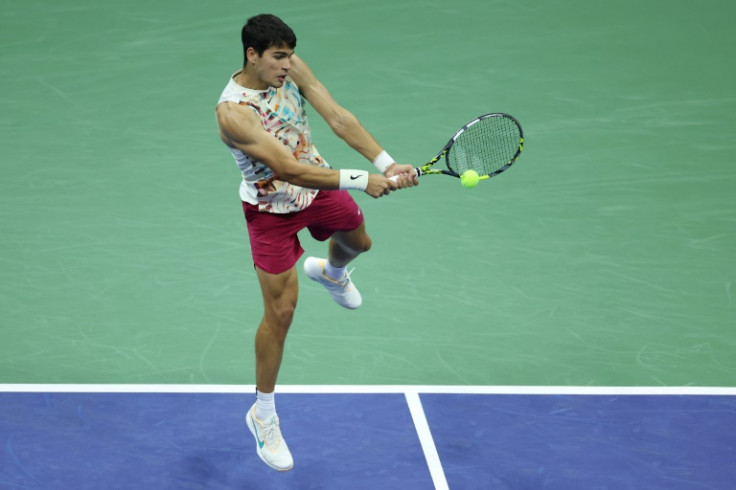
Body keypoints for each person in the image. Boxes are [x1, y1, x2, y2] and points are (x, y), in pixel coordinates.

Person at [215, 14, 417, 472]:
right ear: (252, 55)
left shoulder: (291, 70)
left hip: (318, 190)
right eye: (278, 57)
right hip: (270, 213)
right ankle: (262, 414)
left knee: (359, 241)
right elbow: (287, 169)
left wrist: (385, 163)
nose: (288, 65)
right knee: (281, 314)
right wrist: (360, 180)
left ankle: (331, 272)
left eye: (289, 55)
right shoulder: (233, 113)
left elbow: (338, 117)